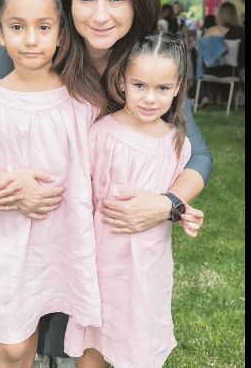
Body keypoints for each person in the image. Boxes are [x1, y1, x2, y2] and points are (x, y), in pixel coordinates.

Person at [0, 0, 210, 362]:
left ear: (138, 0)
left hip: (97, 238)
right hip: (34, 228)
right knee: (16, 337)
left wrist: (168, 203)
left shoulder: (148, 66)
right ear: (65, 2)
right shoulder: (32, 50)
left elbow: (197, 154)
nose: (100, 15)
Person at [0, 0, 103, 367]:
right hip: (4, 241)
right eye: (17, 27)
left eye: (43, 27)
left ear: (61, 34)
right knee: (12, 344)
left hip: (63, 241)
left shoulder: (82, 101)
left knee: (32, 337)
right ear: (1, 34)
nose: (30, 39)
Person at [64, 32, 193, 368]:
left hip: (148, 270)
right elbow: (81, 199)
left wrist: (182, 213)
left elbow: (167, 200)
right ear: (122, 81)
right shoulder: (101, 134)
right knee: (94, 343)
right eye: (140, 86)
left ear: (177, 87)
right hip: (101, 266)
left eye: (162, 89)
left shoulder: (177, 144)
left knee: (139, 342)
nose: (150, 98)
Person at [196, 2, 245, 107]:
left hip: (210, 71)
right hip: (232, 73)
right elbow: (242, 57)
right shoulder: (241, 32)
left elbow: (202, 53)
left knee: (199, 60)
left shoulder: (211, 31)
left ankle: (205, 96)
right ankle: (225, 99)